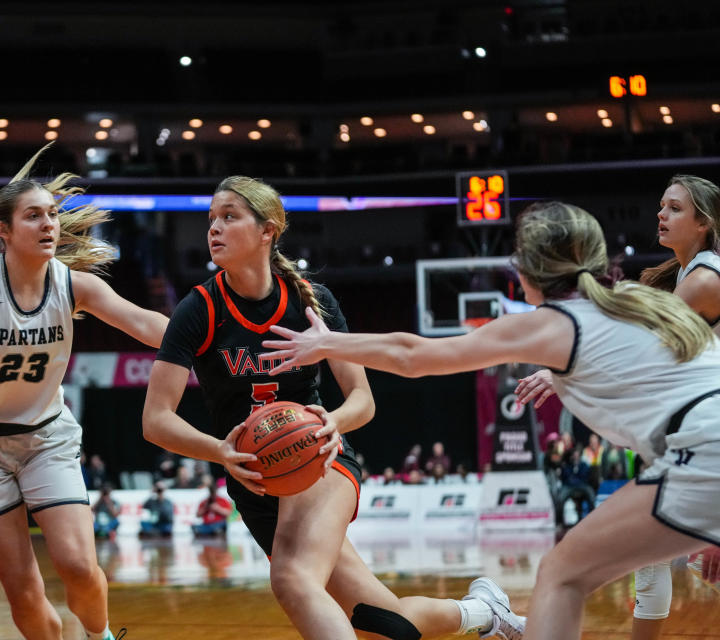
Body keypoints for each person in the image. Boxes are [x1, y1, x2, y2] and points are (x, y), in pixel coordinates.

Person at [263, 200, 720, 640]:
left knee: (561, 574)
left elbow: (414, 355)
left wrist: (328, 345)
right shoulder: (635, 302)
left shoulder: (553, 323)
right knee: (569, 569)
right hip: (702, 455)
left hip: (702, 455)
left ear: (528, 268)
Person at [143, 176, 524, 640]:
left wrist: (333, 421)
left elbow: (362, 400)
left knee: (292, 580)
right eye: (211, 220)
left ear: (268, 230)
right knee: (384, 625)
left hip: (318, 456)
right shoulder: (198, 309)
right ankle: (485, 613)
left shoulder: (311, 301)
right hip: (255, 482)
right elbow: (155, 421)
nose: (214, 229)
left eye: (229, 217)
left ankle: (485, 612)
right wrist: (219, 451)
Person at [0, 147, 165, 640]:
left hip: (45, 439)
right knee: (24, 593)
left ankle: (99, 636)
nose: (48, 225)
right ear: (2, 229)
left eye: (52, 215)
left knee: (79, 567)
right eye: (33, 216)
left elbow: (146, 324)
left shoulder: (74, 285)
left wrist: (214, 338)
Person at [516, 176, 720, 640]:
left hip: (711, 438)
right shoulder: (688, 274)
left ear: (704, 223)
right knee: (649, 564)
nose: (660, 215)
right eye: (660, 206)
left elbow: (642, 351)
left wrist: (559, 370)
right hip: (693, 435)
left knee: (589, 567)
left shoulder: (705, 278)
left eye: (673, 208)